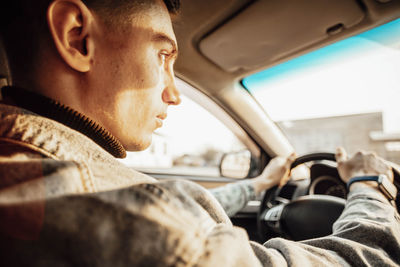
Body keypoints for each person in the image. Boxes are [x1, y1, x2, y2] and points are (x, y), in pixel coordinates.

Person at [0, 0, 398, 266]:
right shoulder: (151, 228)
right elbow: (362, 259)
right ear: (76, 37)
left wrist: (258, 185)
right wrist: (370, 186)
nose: (174, 94)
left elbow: (175, 206)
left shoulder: (32, 174)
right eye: (162, 55)